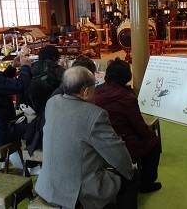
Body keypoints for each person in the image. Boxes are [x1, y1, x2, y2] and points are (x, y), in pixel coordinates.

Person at [35, 66, 139, 209]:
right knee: (131, 177)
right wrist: (130, 169)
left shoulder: (52, 102)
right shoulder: (95, 114)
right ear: (86, 91)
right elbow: (117, 153)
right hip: (76, 193)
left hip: (48, 185)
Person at [95, 57, 162, 193]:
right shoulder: (126, 97)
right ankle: (146, 183)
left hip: (99, 140)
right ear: (127, 76)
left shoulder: (96, 91)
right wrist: (150, 135)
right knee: (153, 142)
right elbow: (139, 125)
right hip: (122, 142)